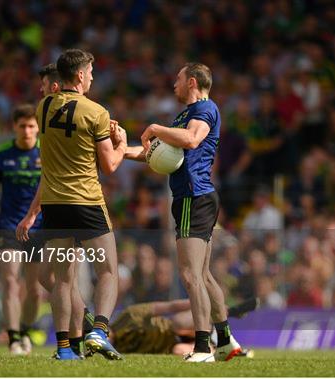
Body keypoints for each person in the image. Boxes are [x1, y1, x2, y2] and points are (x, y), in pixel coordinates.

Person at [126, 63, 242, 362]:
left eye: (177, 80)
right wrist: (120, 150)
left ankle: (203, 348)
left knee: (190, 275)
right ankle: (227, 342)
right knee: (203, 275)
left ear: (192, 82)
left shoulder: (203, 109)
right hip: (194, 197)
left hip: (194, 196)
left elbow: (191, 140)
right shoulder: (184, 116)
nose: (173, 85)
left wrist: (155, 128)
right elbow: (159, 154)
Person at [17, 50, 127, 360]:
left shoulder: (43, 107)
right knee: (107, 271)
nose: (92, 77)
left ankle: (64, 349)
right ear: (79, 75)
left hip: (54, 204)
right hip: (86, 201)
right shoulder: (96, 112)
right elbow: (110, 165)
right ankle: (99, 331)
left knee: (63, 279)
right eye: (90, 72)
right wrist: (119, 142)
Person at [16, 64, 96, 358]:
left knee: (65, 278)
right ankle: (84, 323)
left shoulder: (63, 121)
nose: (39, 92)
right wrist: (34, 213)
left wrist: (32, 213)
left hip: (73, 207)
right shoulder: (52, 123)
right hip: (55, 209)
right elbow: (47, 175)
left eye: (43, 86)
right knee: (51, 277)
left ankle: (78, 339)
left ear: (54, 88)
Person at [0, 104, 46, 355]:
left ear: (38, 128)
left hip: (39, 228)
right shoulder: (0, 154)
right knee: (9, 282)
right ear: (14, 127)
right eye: (23, 126)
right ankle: (12, 339)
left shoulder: (47, 152)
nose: (27, 131)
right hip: (9, 226)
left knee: (34, 290)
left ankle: (24, 329)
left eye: (32, 126)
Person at [110, 298, 258, 356]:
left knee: (178, 323)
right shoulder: (115, 351)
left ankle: (227, 312)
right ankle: (221, 351)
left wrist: (201, 302)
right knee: (178, 351)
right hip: (172, 346)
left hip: (177, 328)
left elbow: (170, 306)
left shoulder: (129, 315)